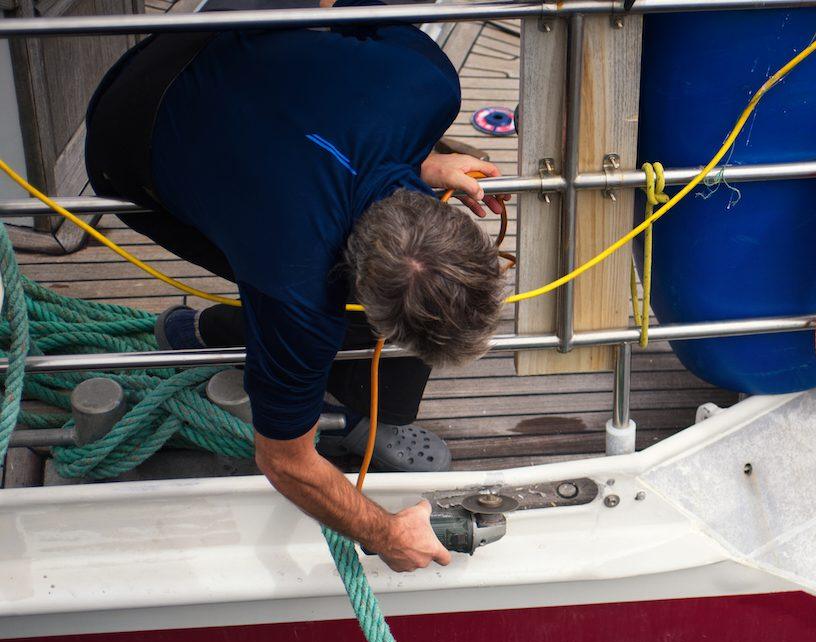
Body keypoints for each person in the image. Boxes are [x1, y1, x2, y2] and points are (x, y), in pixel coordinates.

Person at [83, 0, 508, 571]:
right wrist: (386, 533)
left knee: (303, 270)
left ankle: (219, 332)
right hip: (128, 129)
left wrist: (420, 161)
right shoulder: (300, 288)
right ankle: (343, 406)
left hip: (209, 40)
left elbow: (352, 17)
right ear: (371, 310)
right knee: (290, 293)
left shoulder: (430, 85)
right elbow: (283, 461)